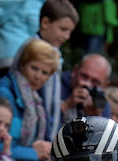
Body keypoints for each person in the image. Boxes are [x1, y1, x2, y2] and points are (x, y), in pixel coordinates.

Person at [37, 0, 79, 140]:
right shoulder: (33, 52)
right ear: (45, 23)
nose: (67, 36)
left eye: (70, 32)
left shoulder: (54, 53)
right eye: (63, 29)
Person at [0, 0, 44, 77]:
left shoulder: (4, 4)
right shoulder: (31, 2)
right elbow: (36, 27)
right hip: (20, 55)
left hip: (0, 55)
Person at [60, 53, 112, 121]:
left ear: (105, 86)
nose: (87, 84)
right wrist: (66, 106)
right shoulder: (57, 86)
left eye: (95, 81)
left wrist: (95, 118)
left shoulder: (101, 103)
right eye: (84, 76)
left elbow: (103, 131)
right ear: (75, 71)